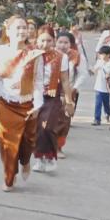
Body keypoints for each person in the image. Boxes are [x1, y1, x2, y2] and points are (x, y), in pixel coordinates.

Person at [0, 16, 44, 191]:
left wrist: (38, 104)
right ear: (8, 31)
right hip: (6, 104)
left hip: (28, 104)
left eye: (24, 27)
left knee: (28, 141)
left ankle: (25, 161)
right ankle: (9, 177)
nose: (21, 31)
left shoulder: (35, 55)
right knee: (7, 144)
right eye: (17, 28)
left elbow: (39, 82)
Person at [31, 27, 73, 174]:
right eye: (42, 40)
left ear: (54, 41)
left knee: (47, 127)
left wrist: (69, 102)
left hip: (51, 97)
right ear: (37, 40)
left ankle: (50, 157)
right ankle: (39, 159)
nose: (45, 44)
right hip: (33, 97)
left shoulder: (61, 57)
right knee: (36, 129)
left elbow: (65, 80)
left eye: (49, 40)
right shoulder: (32, 55)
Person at [55, 31, 86, 156]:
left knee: (64, 121)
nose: (62, 45)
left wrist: (74, 88)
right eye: (60, 42)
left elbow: (82, 74)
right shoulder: (49, 54)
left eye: (66, 42)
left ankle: (58, 147)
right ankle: (46, 147)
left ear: (71, 44)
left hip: (68, 92)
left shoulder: (76, 56)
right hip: (50, 92)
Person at [90, 45, 110, 126]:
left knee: (106, 104)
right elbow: (93, 71)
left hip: (107, 88)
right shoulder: (99, 62)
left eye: (102, 54)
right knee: (98, 103)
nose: (101, 55)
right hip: (99, 87)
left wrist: (109, 74)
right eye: (100, 54)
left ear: (108, 55)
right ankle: (97, 119)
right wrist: (91, 70)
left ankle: (107, 114)